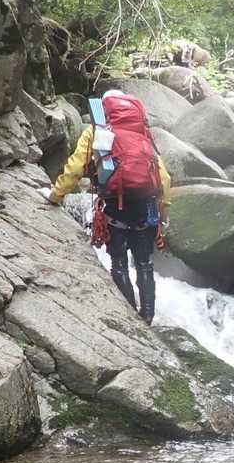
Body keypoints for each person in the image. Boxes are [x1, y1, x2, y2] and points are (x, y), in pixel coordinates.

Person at [41, 90, 171, 324]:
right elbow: (165, 179)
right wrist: (162, 214)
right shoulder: (142, 134)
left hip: (114, 209)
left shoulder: (97, 131)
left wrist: (55, 195)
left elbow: (75, 168)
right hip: (144, 209)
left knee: (119, 263)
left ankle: (133, 318)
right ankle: (148, 316)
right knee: (145, 264)